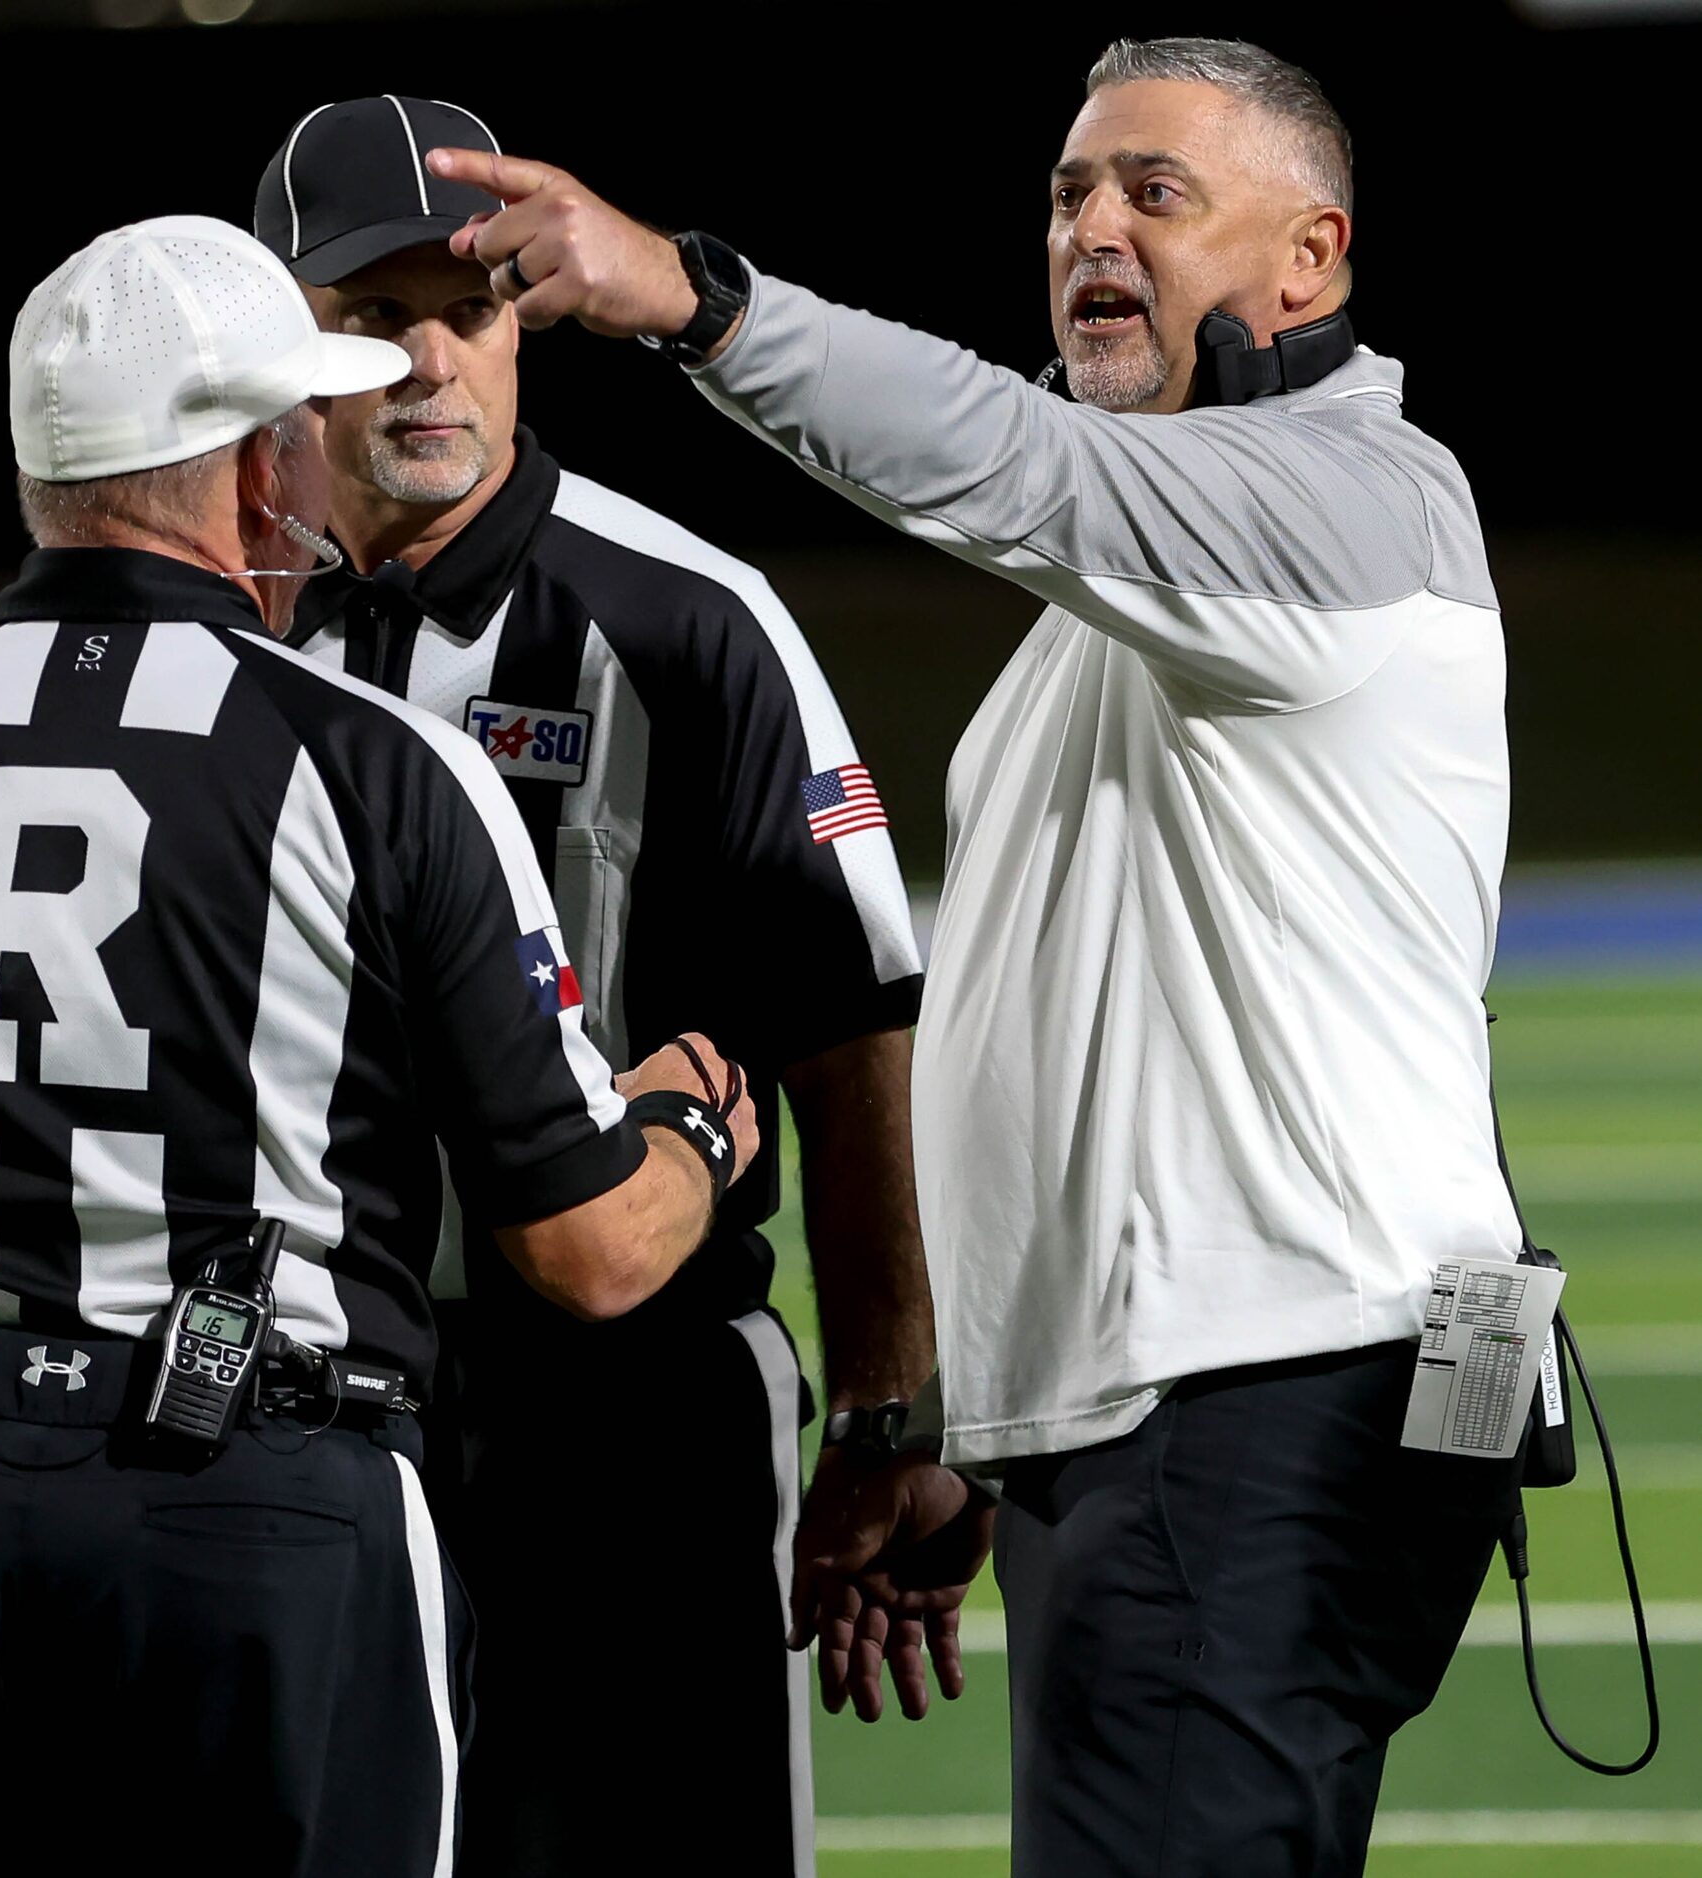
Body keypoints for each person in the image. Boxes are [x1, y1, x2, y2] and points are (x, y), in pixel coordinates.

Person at [426, 34, 1530, 1876]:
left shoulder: (1349, 500)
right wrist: (965, 1431)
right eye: (1068, 196)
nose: (1092, 226)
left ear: (1309, 263)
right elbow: (1067, 1036)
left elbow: (1010, 463)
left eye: (1155, 194)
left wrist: (690, 298)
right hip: (1175, 1416)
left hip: (1264, 1405)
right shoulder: (1136, 595)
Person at [0, 213, 755, 1878]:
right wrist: (698, 1131)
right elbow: (591, 1252)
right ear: (255, 470)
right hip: (246, 1508)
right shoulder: (374, 766)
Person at [249, 94, 934, 1878]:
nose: (424, 363)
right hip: (313, 1401)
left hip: (636, 1413)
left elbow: (853, 1020)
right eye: (365, 314)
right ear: (275, 341)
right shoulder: (224, 625)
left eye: (466, 309)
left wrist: (886, 1410)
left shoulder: (690, 617)